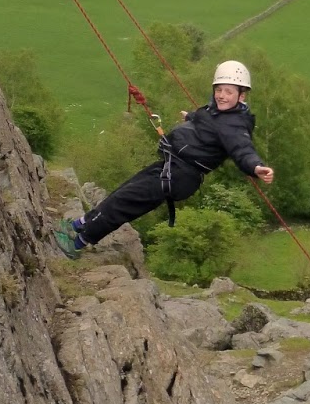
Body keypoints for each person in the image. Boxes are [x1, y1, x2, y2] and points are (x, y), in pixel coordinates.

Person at [54, 60, 274, 258]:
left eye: (228, 91)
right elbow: (206, 120)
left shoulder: (235, 125)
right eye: (218, 89)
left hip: (180, 175)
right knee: (123, 192)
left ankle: (77, 243)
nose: (221, 95)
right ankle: (78, 225)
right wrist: (190, 117)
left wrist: (256, 167)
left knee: (126, 202)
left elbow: (242, 149)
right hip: (171, 165)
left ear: (241, 95)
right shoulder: (217, 111)